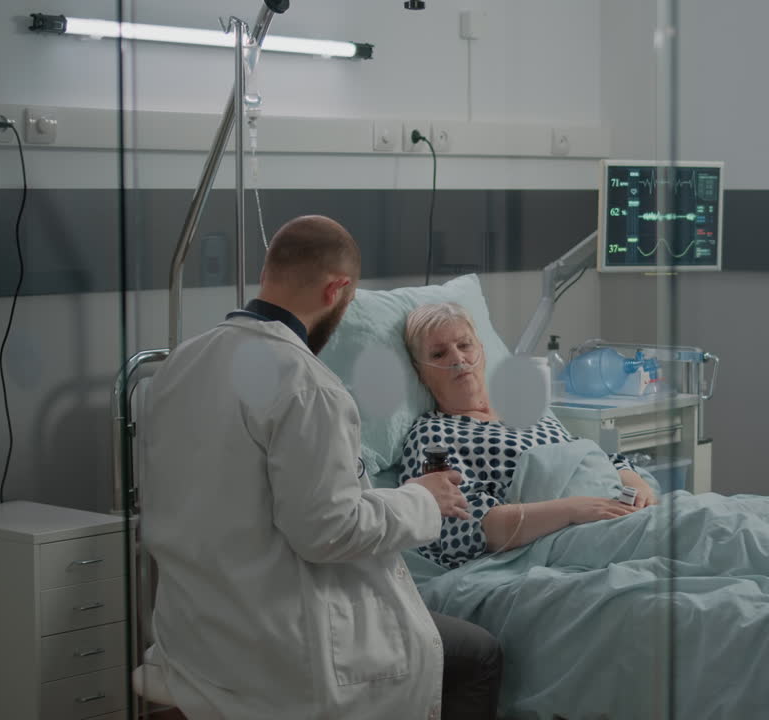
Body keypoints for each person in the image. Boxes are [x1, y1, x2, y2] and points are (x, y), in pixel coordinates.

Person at [141, 217, 502, 720]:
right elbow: (328, 531)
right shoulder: (308, 384)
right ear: (338, 289)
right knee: (477, 654)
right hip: (281, 646)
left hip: (199, 634)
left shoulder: (179, 365)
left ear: (269, 270)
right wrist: (423, 499)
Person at [398, 301, 657, 569]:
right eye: (439, 354)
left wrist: (636, 485)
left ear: (482, 351)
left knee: (694, 520)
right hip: (561, 539)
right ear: (421, 372)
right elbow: (460, 529)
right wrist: (571, 510)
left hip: (618, 509)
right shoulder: (433, 435)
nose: (457, 358)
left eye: (464, 345)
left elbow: (588, 456)